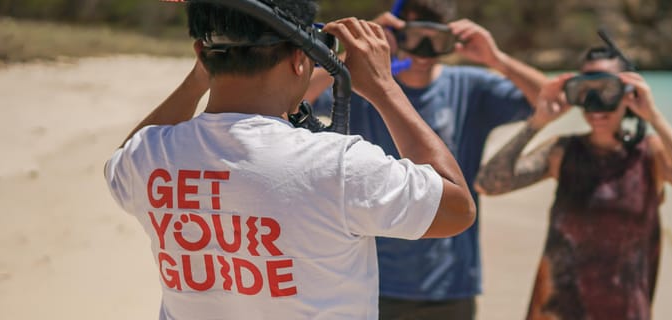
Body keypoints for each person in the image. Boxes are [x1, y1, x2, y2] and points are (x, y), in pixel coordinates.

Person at [103, 1, 476, 319]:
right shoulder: (338, 165)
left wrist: (205, 74)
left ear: (200, 53)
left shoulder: (150, 157)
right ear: (301, 59)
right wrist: (384, 87)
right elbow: (457, 207)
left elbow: (125, 157)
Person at [304, 1, 547, 318]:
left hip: (450, 282)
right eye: (413, 37)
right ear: (392, 35)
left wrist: (496, 59)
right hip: (375, 278)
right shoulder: (361, 86)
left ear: (452, 40)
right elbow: (293, 98)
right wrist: (351, 58)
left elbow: (552, 100)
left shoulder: (469, 86)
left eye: (436, 41)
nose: (422, 50)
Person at [475, 48, 672, 320]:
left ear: (629, 92)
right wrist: (538, 121)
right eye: (586, 89)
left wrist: (654, 117)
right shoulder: (563, 151)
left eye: (607, 89)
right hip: (555, 311)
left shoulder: (649, 154)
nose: (596, 102)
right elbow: (487, 185)